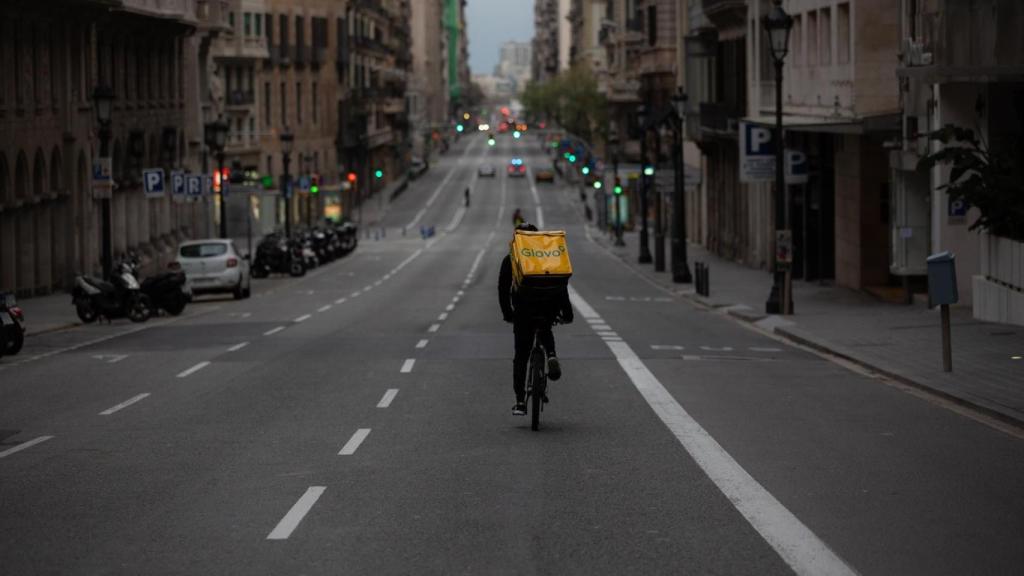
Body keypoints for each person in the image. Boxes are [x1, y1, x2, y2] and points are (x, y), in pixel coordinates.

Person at [497, 223, 574, 416]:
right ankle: (551, 354)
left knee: (521, 356)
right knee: (545, 327)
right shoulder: (547, 258)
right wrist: (567, 313)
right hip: (548, 308)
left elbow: (503, 290)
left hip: (523, 312)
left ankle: (520, 400)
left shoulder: (511, 259)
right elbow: (561, 285)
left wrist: (508, 314)